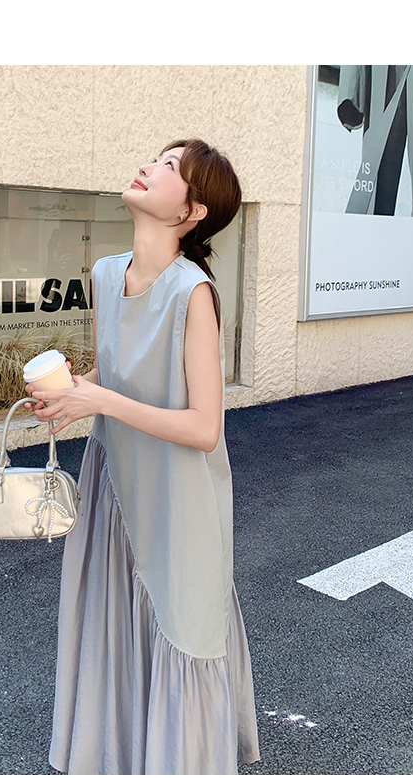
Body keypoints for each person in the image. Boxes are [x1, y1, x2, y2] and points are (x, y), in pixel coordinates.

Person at [25, 139, 261, 775]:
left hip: (179, 492)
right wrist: (73, 394)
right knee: (113, 614)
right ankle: (122, 753)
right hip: (116, 479)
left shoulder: (194, 293)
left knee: (181, 619)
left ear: (191, 211)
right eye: (158, 157)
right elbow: (114, 372)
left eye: (170, 166)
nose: (150, 165)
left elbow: (205, 428)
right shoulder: (106, 274)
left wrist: (98, 398)